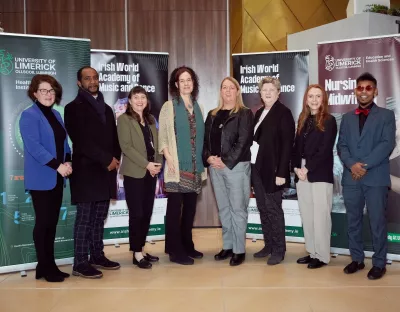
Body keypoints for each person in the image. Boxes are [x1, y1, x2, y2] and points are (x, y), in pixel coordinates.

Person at [337, 72, 395, 280]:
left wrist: (365, 165)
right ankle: (357, 259)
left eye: (368, 88)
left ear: (375, 91)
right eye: (360, 88)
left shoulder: (387, 116)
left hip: (375, 178)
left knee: (377, 222)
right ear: (355, 91)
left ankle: (379, 263)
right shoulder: (346, 117)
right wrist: (352, 165)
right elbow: (341, 145)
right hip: (351, 178)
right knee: (353, 221)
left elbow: (387, 144)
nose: (363, 92)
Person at [65, 66, 121, 278]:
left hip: (106, 172)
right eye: (87, 78)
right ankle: (80, 262)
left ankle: (97, 255)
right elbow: (81, 140)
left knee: (100, 217)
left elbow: (114, 138)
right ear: (79, 83)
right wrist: (106, 159)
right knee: (85, 219)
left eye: (95, 77)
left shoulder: (106, 108)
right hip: (87, 172)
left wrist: (115, 159)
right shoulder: (73, 108)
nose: (92, 81)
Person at [20, 74, 72, 282]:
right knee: (43, 223)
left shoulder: (57, 115)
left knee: (51, 223)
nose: (48, 94)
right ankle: (45, 266)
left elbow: (65, 144)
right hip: (42, 178)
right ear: (35, 93)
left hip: (58, 176)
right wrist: (57, 165)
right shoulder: (29, 115)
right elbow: (34, 148)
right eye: (43, 90)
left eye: (51, 90)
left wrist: (68, 161)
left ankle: (47, 266)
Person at [203, 77, 253, 266]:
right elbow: (205, 141)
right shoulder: (212, 114)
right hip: (215, 167)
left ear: (237, 91)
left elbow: (244, 141)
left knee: (238, 209)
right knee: (224, 208)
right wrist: (208, 157)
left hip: (236, 167)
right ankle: (228, 245)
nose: (228, 91)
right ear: (220, 91)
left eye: (232, 88)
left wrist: (226, 160)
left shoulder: (245, 113)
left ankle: (239, 250)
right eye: (224, 87)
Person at [158, 66, 206, 265]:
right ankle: (175, 251)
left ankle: (187, 244)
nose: (186, 83)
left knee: (190, 210)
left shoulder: (198, 106)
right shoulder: (169, 106)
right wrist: (168, 158)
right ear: (176, 84)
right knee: (174, 210)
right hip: (176, 167)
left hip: (195, 167)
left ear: (193, 84)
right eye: (182, 80)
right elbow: (163, 137)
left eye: (189, 80)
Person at [251, 76, 295, 265]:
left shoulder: (284, 113)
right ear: (260, 93)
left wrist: (282, 173)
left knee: (274, 209)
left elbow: (287, 145)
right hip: (257, 169)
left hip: (274, 171)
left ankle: (279, 249)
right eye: (264, 90)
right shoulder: (259, 112)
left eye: (271, 89)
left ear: (278, 92)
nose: (267, 93)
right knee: (262, 208)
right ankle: (268, 244)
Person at [292, 84, 337, 269]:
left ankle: (322, 255)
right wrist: (295, 167)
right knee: (308, 216)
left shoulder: (329, 120)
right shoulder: (302, 119)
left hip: (318, 172)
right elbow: (295, 147)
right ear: (306, 99)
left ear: (323, 99)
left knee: (321, 217)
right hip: (301, 173)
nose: (314, 100)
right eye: (311, 96)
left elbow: (325, 150)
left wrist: (307, 168)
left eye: (318, 96)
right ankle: (312, 252)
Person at [117, 86, 162, 269]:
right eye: (136, 97)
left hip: (151, 173)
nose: (140, 101)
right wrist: (147, 165)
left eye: (143, 97)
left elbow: (157, 145)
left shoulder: (151, 120)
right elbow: (126, 147)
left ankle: (141, 249)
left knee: (147, 212)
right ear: (130, 100)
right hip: (134, 173)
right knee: (137, 214)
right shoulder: (124, 120)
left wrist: (156, 165)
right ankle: (136, 253)